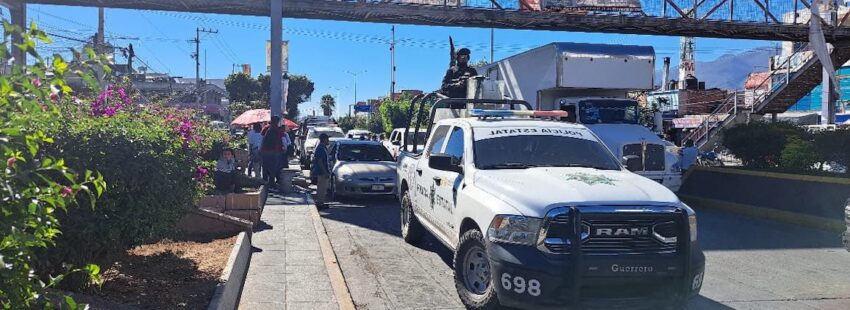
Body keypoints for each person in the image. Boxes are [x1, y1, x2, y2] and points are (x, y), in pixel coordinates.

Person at [260, 116, 286, 187]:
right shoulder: (279, 130)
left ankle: (264, 182)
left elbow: (261, 139)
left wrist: (260, 149)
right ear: (278, 122)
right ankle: (272, 182)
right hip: (275, 151)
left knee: (265, 167)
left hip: (265, 151)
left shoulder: (265, 128)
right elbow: (283, 141)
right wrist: (284, 149)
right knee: (273, 167)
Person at [311, 133, 331, 208]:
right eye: (327, 139)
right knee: (321, 188)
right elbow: (320, 161)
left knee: (323, 188)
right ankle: (319, 203)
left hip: (324, 171)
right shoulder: (320, 148)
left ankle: (321, 202)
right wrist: (324, 172)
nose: (328, 141)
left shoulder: (323, 148)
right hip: (322, 172)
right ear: (324, 139)